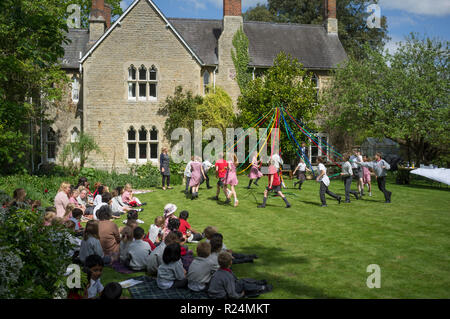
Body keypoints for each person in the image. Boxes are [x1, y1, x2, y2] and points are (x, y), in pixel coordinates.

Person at [208, 252, 272, 299]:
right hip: (221, 296)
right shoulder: (227, 276)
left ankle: (258, 283)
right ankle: (262, 288)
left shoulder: (219, 271)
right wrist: (240, 295)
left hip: (217, 294)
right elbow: (232, 294)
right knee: (243, 284)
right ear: (230, 263)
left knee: (242, 281)